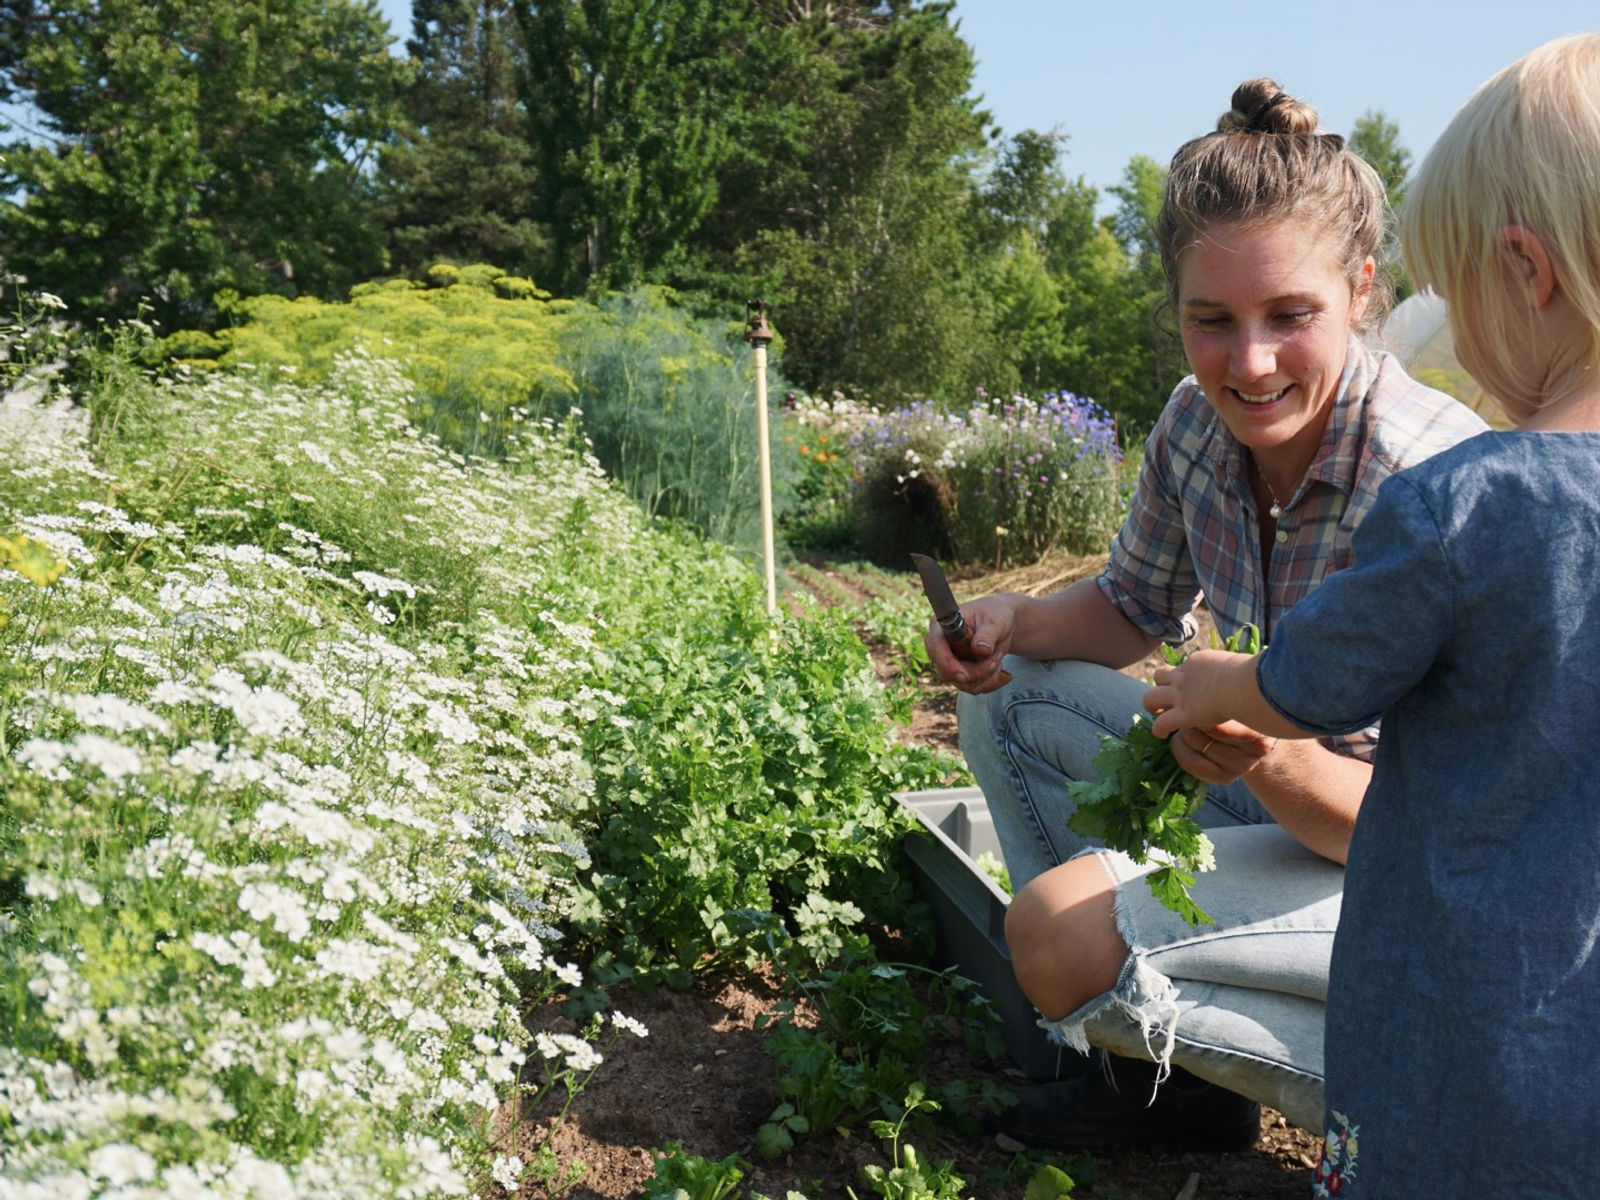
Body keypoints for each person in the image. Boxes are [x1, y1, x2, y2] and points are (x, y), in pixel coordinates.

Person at [926, 78, 1489, 1150]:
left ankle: (1420, 1121)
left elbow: (1422, 833)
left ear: (1363, 290)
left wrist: (1265, 748)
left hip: (1408, 873)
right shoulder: (1195, 425)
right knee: (1012, 703)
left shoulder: (1428, 485)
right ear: (1174, 307)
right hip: (1276, 809)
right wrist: (1008, 622)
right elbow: (1131, 606)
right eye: (1211, 320)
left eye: (1291, 316)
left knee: (1059, 934)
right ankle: (1162, 1082)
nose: (1250, 362)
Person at [1136, 33, 1600, 1197]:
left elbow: (1311, 679)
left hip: (1460, 986)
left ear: (1524, 271)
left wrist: (1214, 683)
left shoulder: (1467, 501)